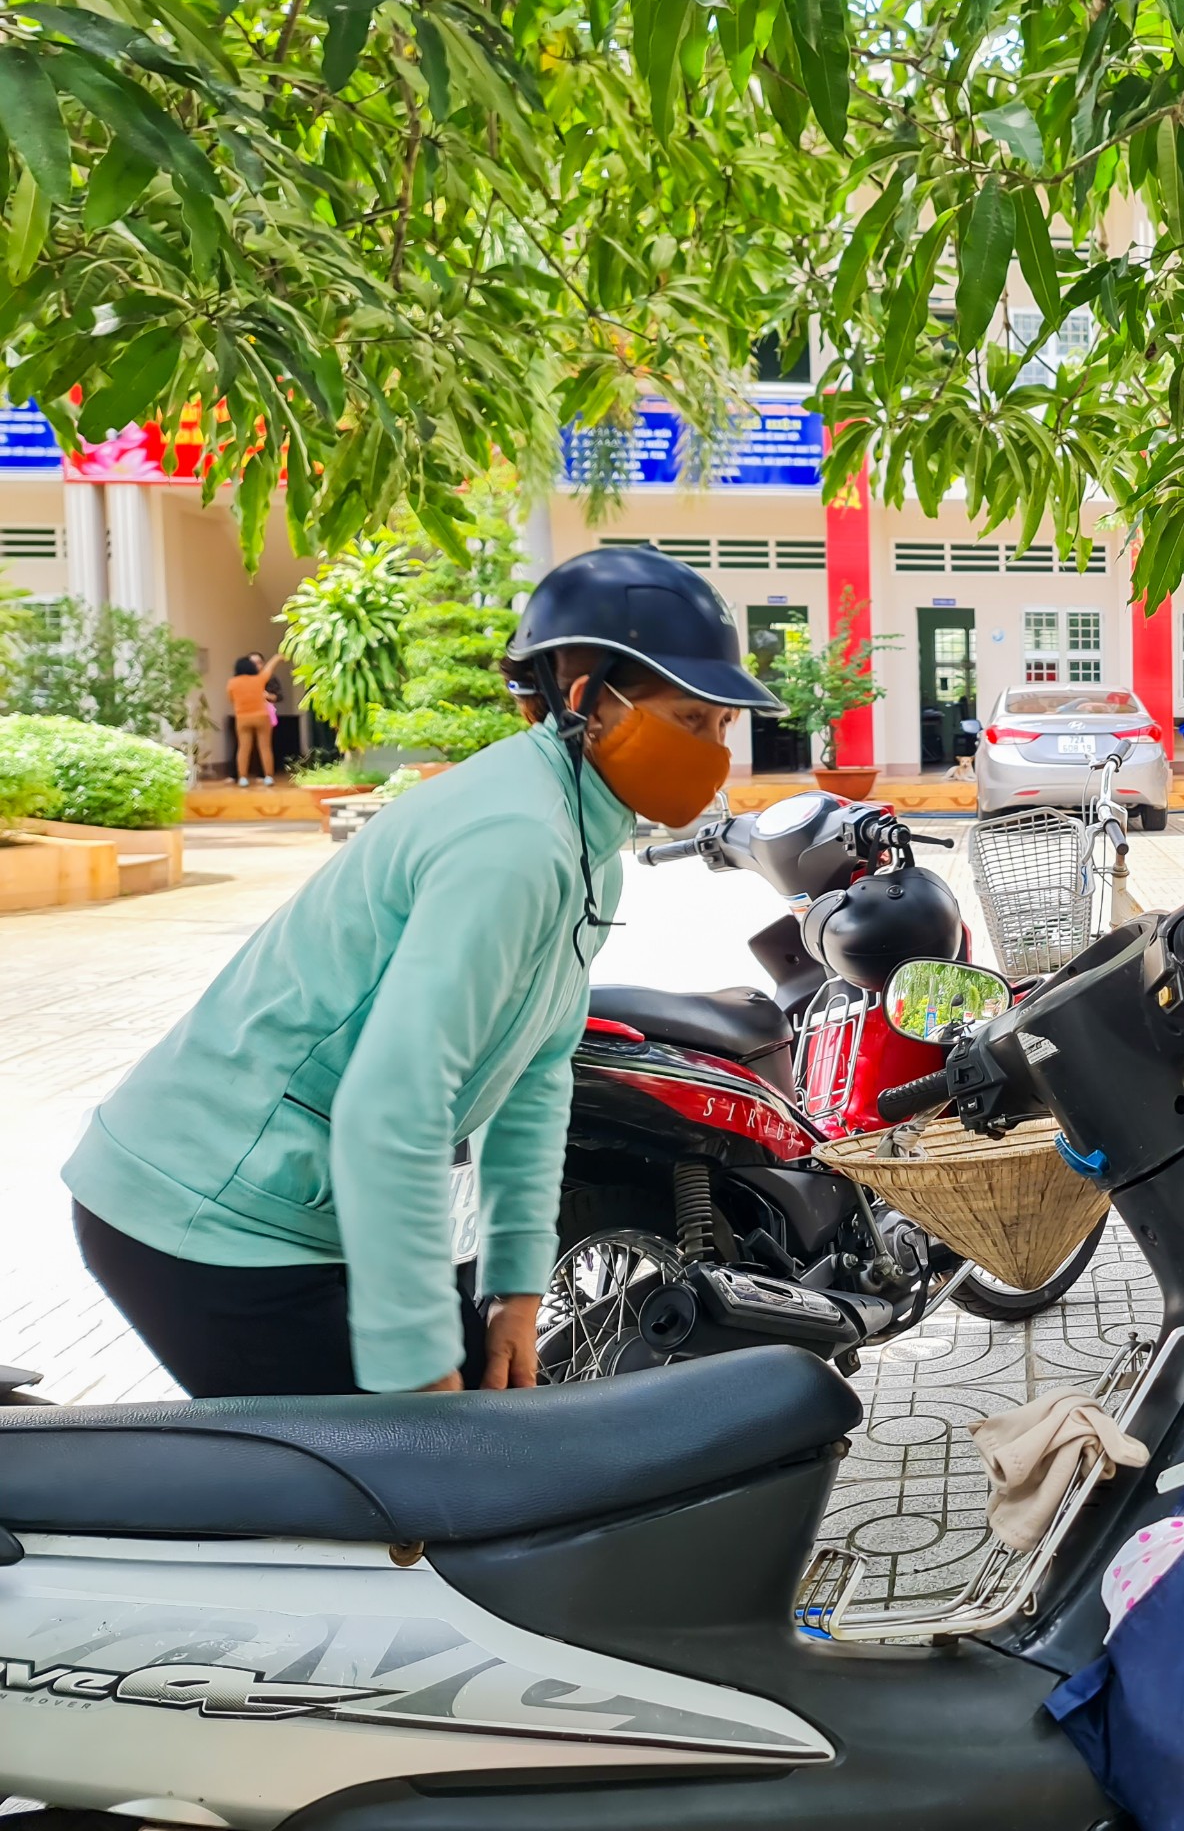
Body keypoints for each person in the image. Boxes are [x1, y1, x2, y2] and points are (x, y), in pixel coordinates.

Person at [65, 547, 781, 1398]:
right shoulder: (514, 841)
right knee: (377, 1494)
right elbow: (391, 1105)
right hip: (210, 1212)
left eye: (720, 729)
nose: (712, 754)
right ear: (583, 698)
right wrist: (415, 1353)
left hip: (315, 1208)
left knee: (490, 1428)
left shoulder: (588, 850)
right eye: (689, 721)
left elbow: (536, 1079)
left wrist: (514, 1294)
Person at [228, 651, 279, 786]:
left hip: (242, 718)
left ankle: (243, 778)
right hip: (262, 717)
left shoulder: (232, 683)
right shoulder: (259, 679)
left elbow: (231, 699)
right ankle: (268, 777)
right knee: (265, 747)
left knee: (243, 748)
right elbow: (269, 668)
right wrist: (277, 657)